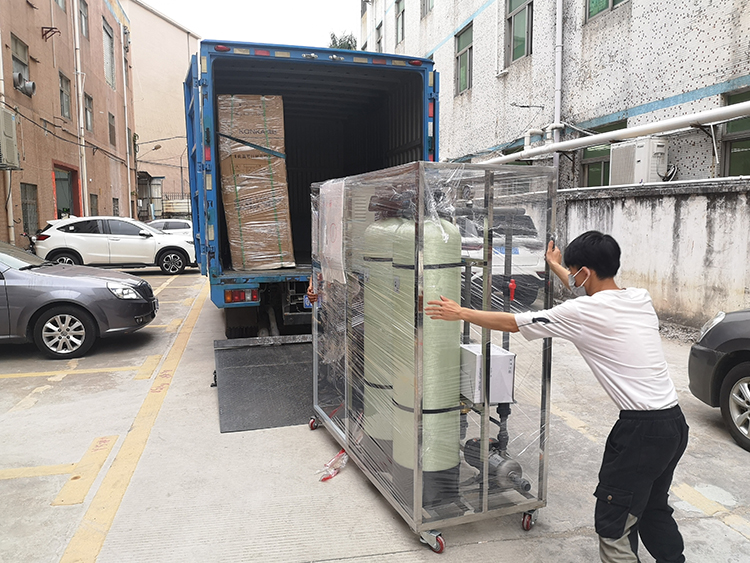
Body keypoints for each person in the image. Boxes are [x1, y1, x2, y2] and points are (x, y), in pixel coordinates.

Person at [425, 230, 689, 563]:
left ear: (585, 272)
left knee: (614, 521)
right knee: (652, 508)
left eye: (575, 272)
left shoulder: (583, 312)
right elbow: (587, 290)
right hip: (673, 424)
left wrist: (461, 312)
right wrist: (556, 266)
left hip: (641, 432)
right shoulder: (639, 298)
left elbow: (514, 323)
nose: (573, 278)